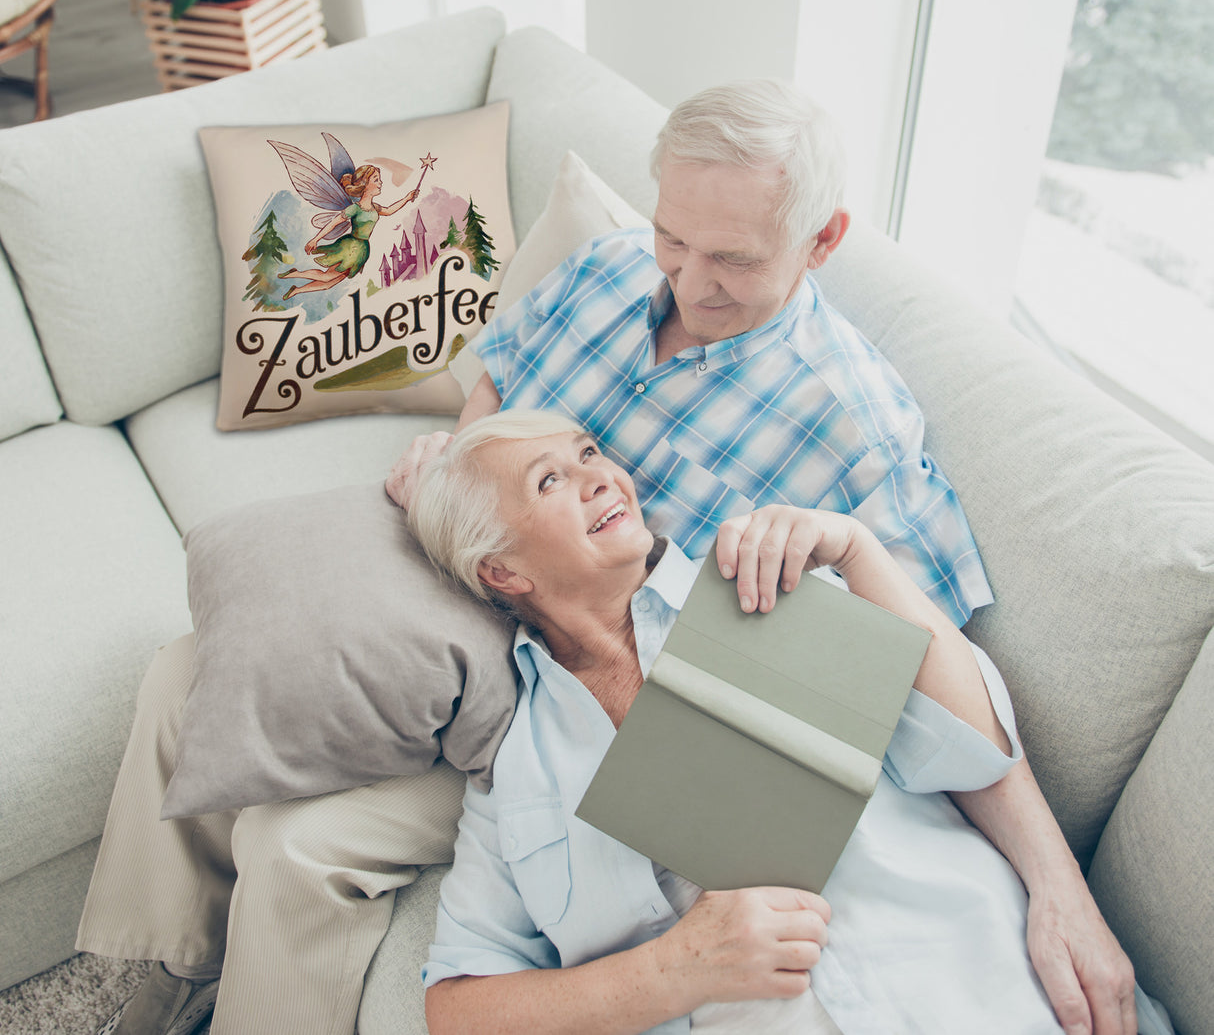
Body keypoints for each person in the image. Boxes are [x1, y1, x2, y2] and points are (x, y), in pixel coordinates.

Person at [79, 81, 1132, 1035]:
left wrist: (1058, 885)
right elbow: (498, 382)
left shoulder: (854, 429)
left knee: (300, 844)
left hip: (580, 673)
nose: (688, 279)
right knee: (192, 668)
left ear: (820, 241)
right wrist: (459, 465)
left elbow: (926, 676)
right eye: (675, 237)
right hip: (488, 569)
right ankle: (160, 970)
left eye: (732, 259)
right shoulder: (608, 268)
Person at [408, 410, 1161, 1035]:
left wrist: (859, 552)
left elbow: (973, 750)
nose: (601, 476)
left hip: (986, 990)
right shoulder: (517, 772)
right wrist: (673, 971)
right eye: (550, 480)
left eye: (588, 453)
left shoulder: (762, 583)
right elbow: (458, 1009)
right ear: (502, 571)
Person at [278, 162, 418, 298]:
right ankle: (295, 274)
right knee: (327, 277)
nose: (380, 183)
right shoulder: (355, 208)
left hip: (362, 249)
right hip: (351, 247)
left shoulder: (375, 208)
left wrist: (407, 198)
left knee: (329, 284)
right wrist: (315, 239)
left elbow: (389, 211)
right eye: (376, 179)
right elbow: (333, 222)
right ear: (365, 185)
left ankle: (297, 290)